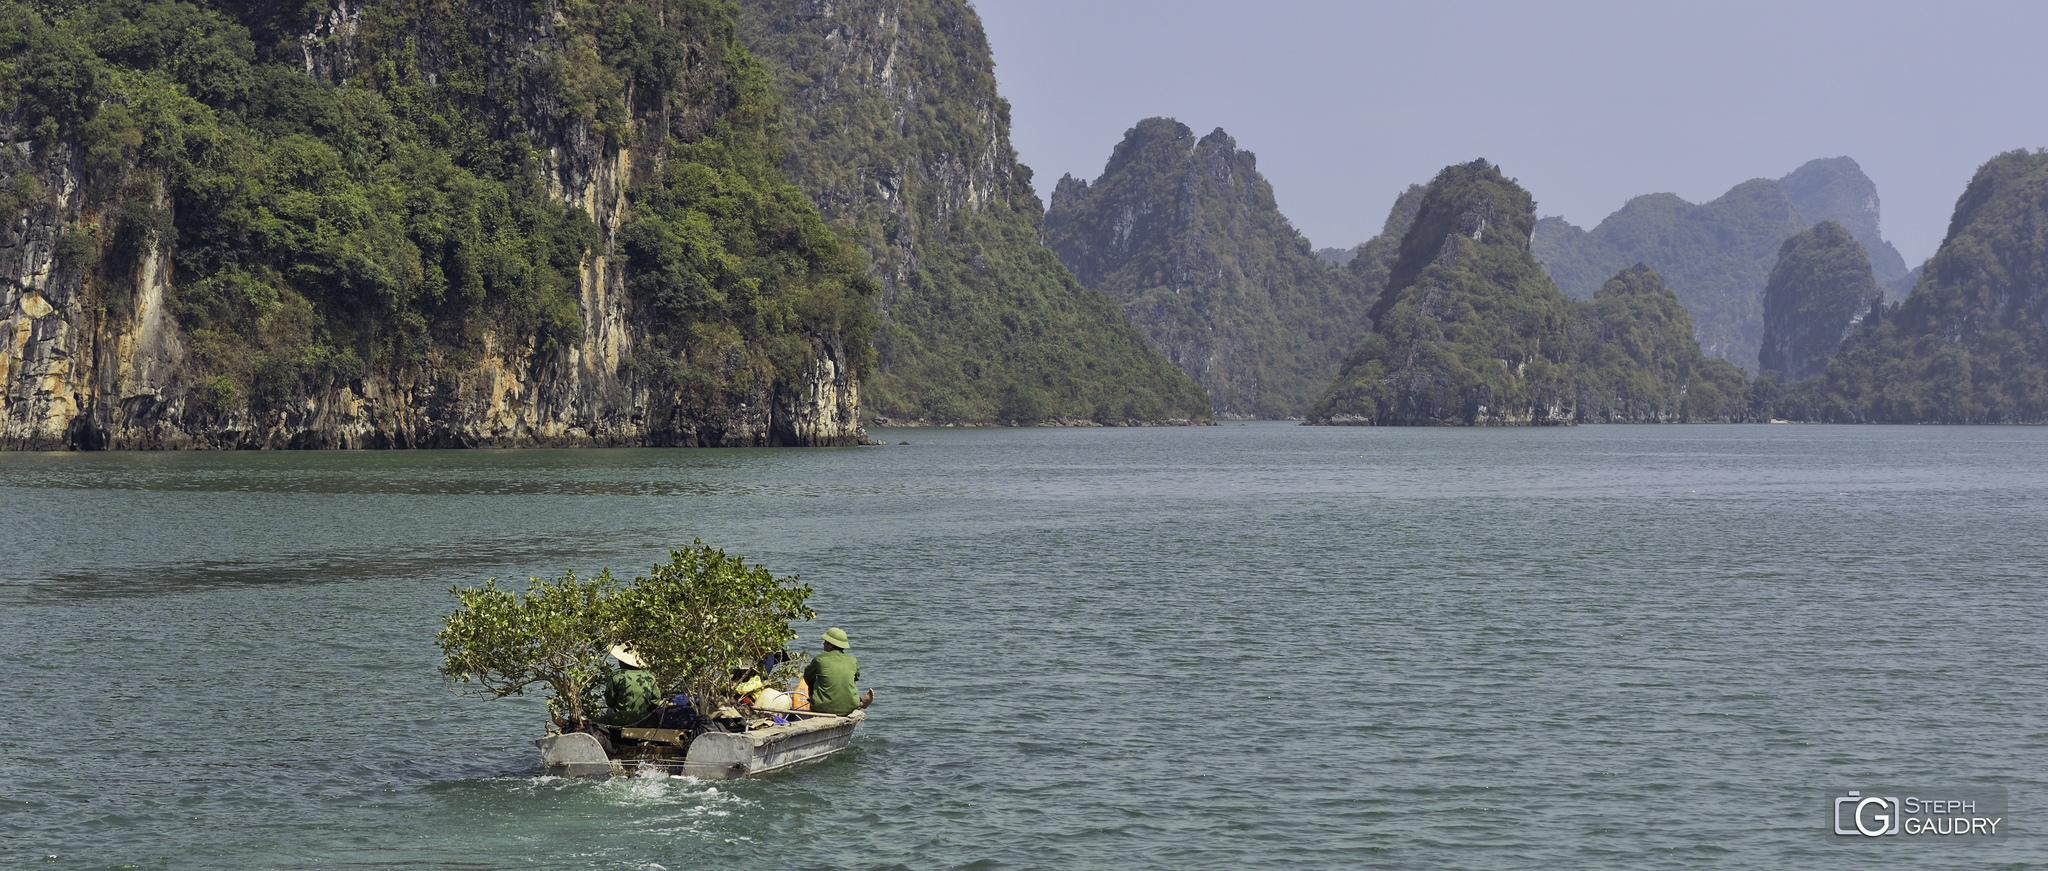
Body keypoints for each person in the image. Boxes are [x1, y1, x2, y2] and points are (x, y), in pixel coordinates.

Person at [801, 627, 873, 716]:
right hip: (850, 707)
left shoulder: (819, 659)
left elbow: (807, 677)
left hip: (821, 708)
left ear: (830, 645)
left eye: (825, 642)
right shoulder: (852, 660)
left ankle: (822, 702)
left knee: (814, 680)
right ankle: (858, 702)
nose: (823, 644)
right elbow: (856, 678)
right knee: (844, 680)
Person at [592, 643, 661, 728]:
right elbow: (656, 700)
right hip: (644, 719)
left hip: (621, 718)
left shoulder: (617, 675)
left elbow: (610, 700)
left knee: (606, 714)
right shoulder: (649, 676)